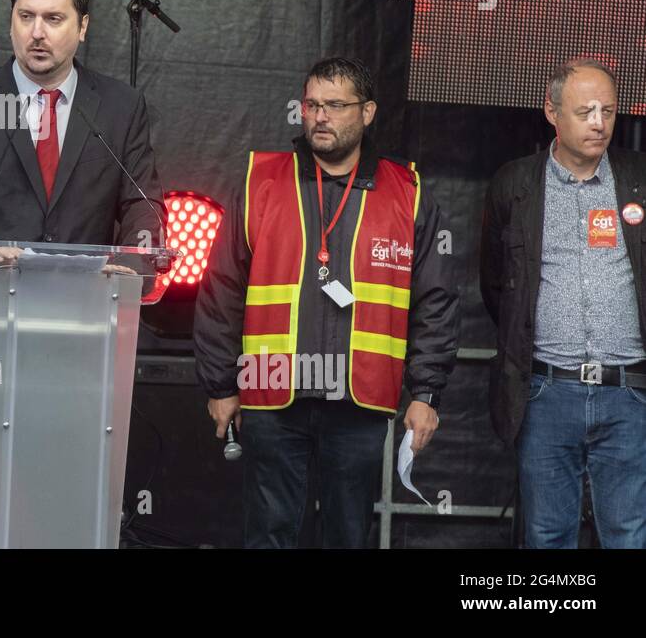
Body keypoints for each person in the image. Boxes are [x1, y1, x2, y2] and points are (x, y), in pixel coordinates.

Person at [0, 0, 164, 548]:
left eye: (54, 18)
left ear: (84, 27)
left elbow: (143, 202)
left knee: (57, 518)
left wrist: (135, 254)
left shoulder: (121, 107)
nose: (38, 32)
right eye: (25, 17)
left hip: (76, 344)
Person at [193, 57, 458, 548]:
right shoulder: (259, 182)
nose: (319, 116)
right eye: (312, 104)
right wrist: (220, 384)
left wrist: (426, 394)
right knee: (269, 534)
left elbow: (436, 302)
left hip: (360, 398)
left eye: (335, 106)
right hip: (271, 394)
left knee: (348, 537)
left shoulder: (409, 194)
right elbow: (221, 290)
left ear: (369, 111)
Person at [481, 58, 646, 548]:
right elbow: (496, 286)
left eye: (609, 111)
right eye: (585, 111)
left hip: (631, 394)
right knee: (547, 536)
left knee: (630, 535)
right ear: (552, 113)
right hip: (546, 391)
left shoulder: (639, 177)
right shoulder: (515, 184)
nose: (599, 123)